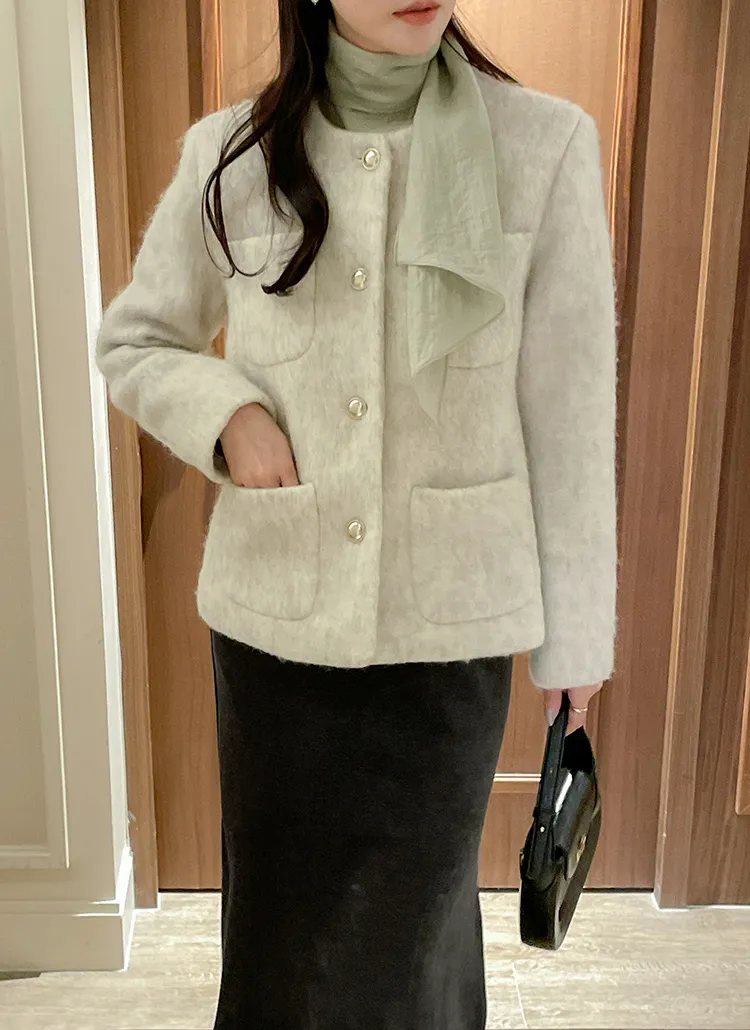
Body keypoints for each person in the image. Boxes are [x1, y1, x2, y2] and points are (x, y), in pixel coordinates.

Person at [96, 0, 618, 1026]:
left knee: (416, 951)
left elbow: (569, 409)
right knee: (279, 951)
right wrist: (230, 413)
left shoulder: (544, 147)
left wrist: (577, 640)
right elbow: (136, 341)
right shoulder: (231, 156)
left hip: (449, 638)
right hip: (277, 636)